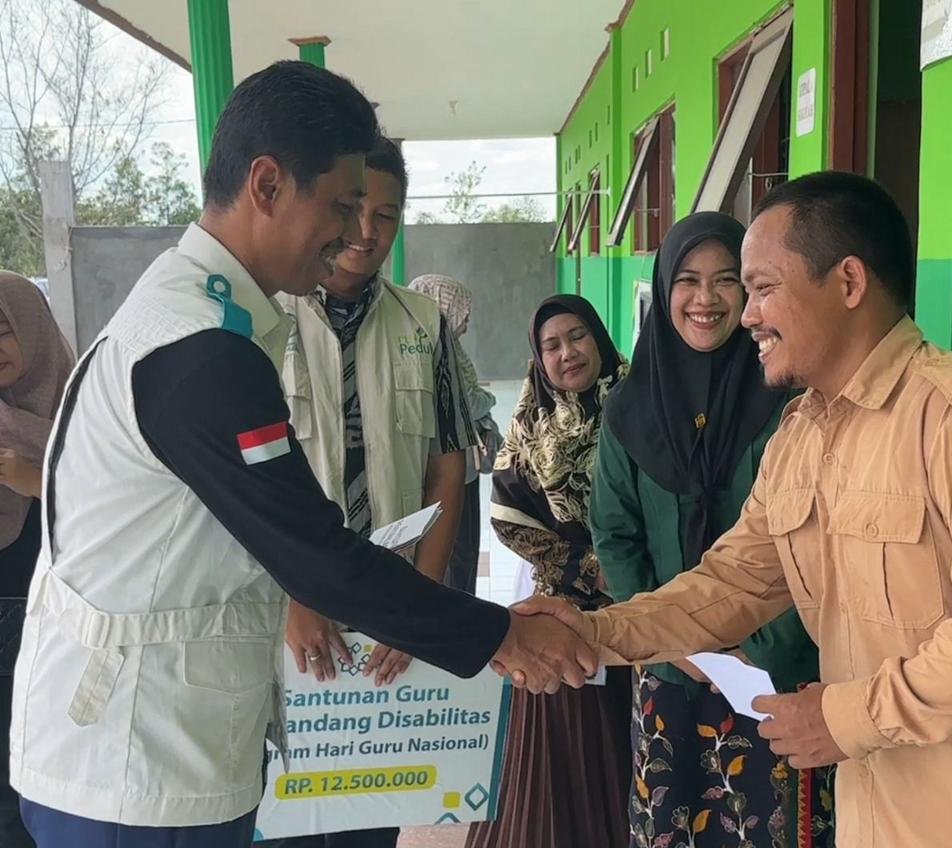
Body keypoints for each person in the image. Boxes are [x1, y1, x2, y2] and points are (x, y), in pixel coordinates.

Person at [8, 60, 593, 848]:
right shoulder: (199, 350)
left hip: (161, 746)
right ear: (268, 185)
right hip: (137, 771)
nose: (356, 235)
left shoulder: (206, 318)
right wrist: (502, 637)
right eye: (343, 206)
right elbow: (314, 554)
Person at [513, 171, 952, 847]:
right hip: (871, 807)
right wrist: (595, 632)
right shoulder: (801, 435)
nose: (746, 314)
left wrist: (844, 718)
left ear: (848, 283)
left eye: (760, 287)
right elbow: (735, 580)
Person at [592, 211, 833, 847]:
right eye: (688, 280)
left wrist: (755, 652)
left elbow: (812, 541)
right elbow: (615, 536)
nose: (707, 299)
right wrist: (675, 646)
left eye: (728, 280)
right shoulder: (628, 410)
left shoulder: (792, 400)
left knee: (774, 825)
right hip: (670, 673)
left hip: (776, 673)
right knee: (675, 824)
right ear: (664, 288)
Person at [264, 137, 478, 847]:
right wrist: (296, 597)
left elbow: (446, 466)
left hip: (389, 598)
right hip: (289, 613)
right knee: (289, 809)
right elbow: (241, 480)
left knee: (371, 809)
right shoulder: (266, 319)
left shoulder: (425, 324)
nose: (365, 231)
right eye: (353, 209)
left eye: (386, 215)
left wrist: (414, 605)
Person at [466, 294, 631, 848]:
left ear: (599, 339)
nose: (568, 353)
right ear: (539, 359)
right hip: (561, 608)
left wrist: (627, 568)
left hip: (643, 604)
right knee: (563, 752)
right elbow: (507, 513)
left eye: (577, 336)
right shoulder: (532, 421)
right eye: (551, 345)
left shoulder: (640, 405)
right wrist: (587, 568)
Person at [0, 272, 74, 848]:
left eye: (2, 330)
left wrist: (40, 482)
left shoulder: (87, 417)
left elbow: (122, 514)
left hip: (61, 657)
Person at [408, 274, 504, 593]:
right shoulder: (432, 354)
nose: (466, 322)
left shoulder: (449, 349)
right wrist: (489, 400)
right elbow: (467, 403)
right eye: (462, 313)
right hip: (443, 468)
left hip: (463, 465)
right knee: (452, 551)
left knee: (462, 551)